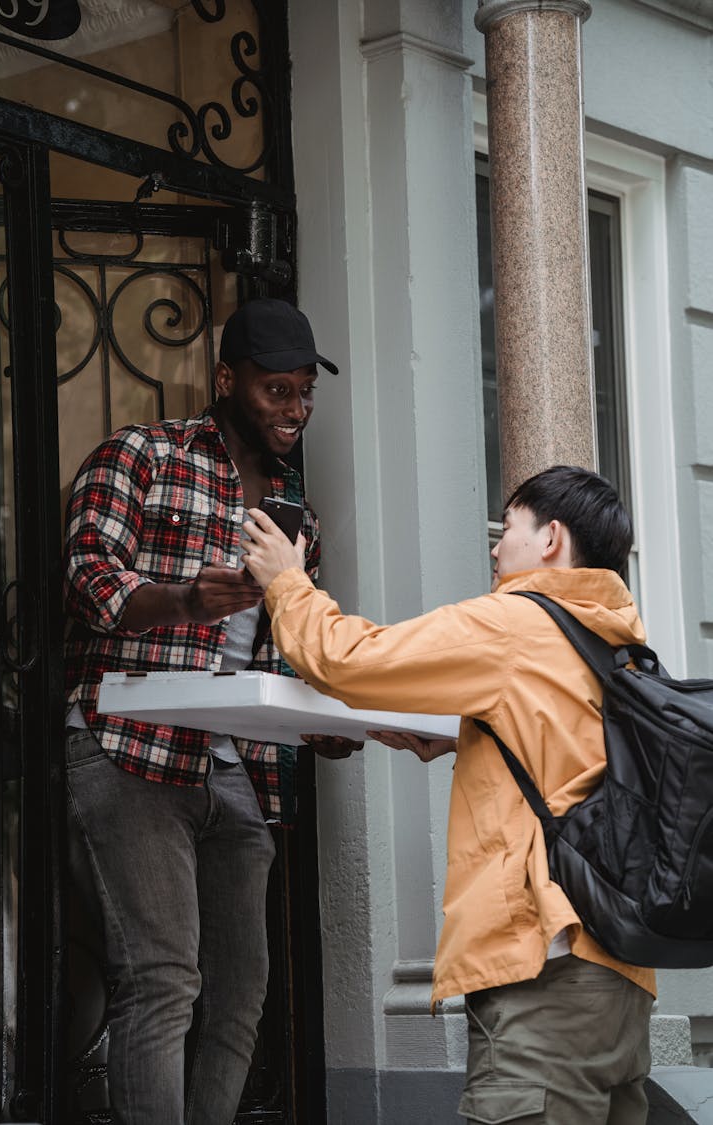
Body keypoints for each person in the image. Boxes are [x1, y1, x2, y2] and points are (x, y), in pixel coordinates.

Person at [242, 465, 656, 1125]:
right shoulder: (620, 641)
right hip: (620, 980)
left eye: (509, 526)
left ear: (550, 538)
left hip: (539, 972)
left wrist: (285, 580)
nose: (496, 546)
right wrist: (471, 736)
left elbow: (351, 660)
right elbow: (570, 761)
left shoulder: (519, 623)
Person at [63, 297, 362, 1125]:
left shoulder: (292, 513)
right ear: (226, 380)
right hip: (129, 747)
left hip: (237, 767)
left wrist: (328, 723)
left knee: (241, 995)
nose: (296, 411)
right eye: (277, 391)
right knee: (163, 979)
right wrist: (185, 597)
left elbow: (289, 647)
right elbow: (90, 579)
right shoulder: (141, 455)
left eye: (305, 392)